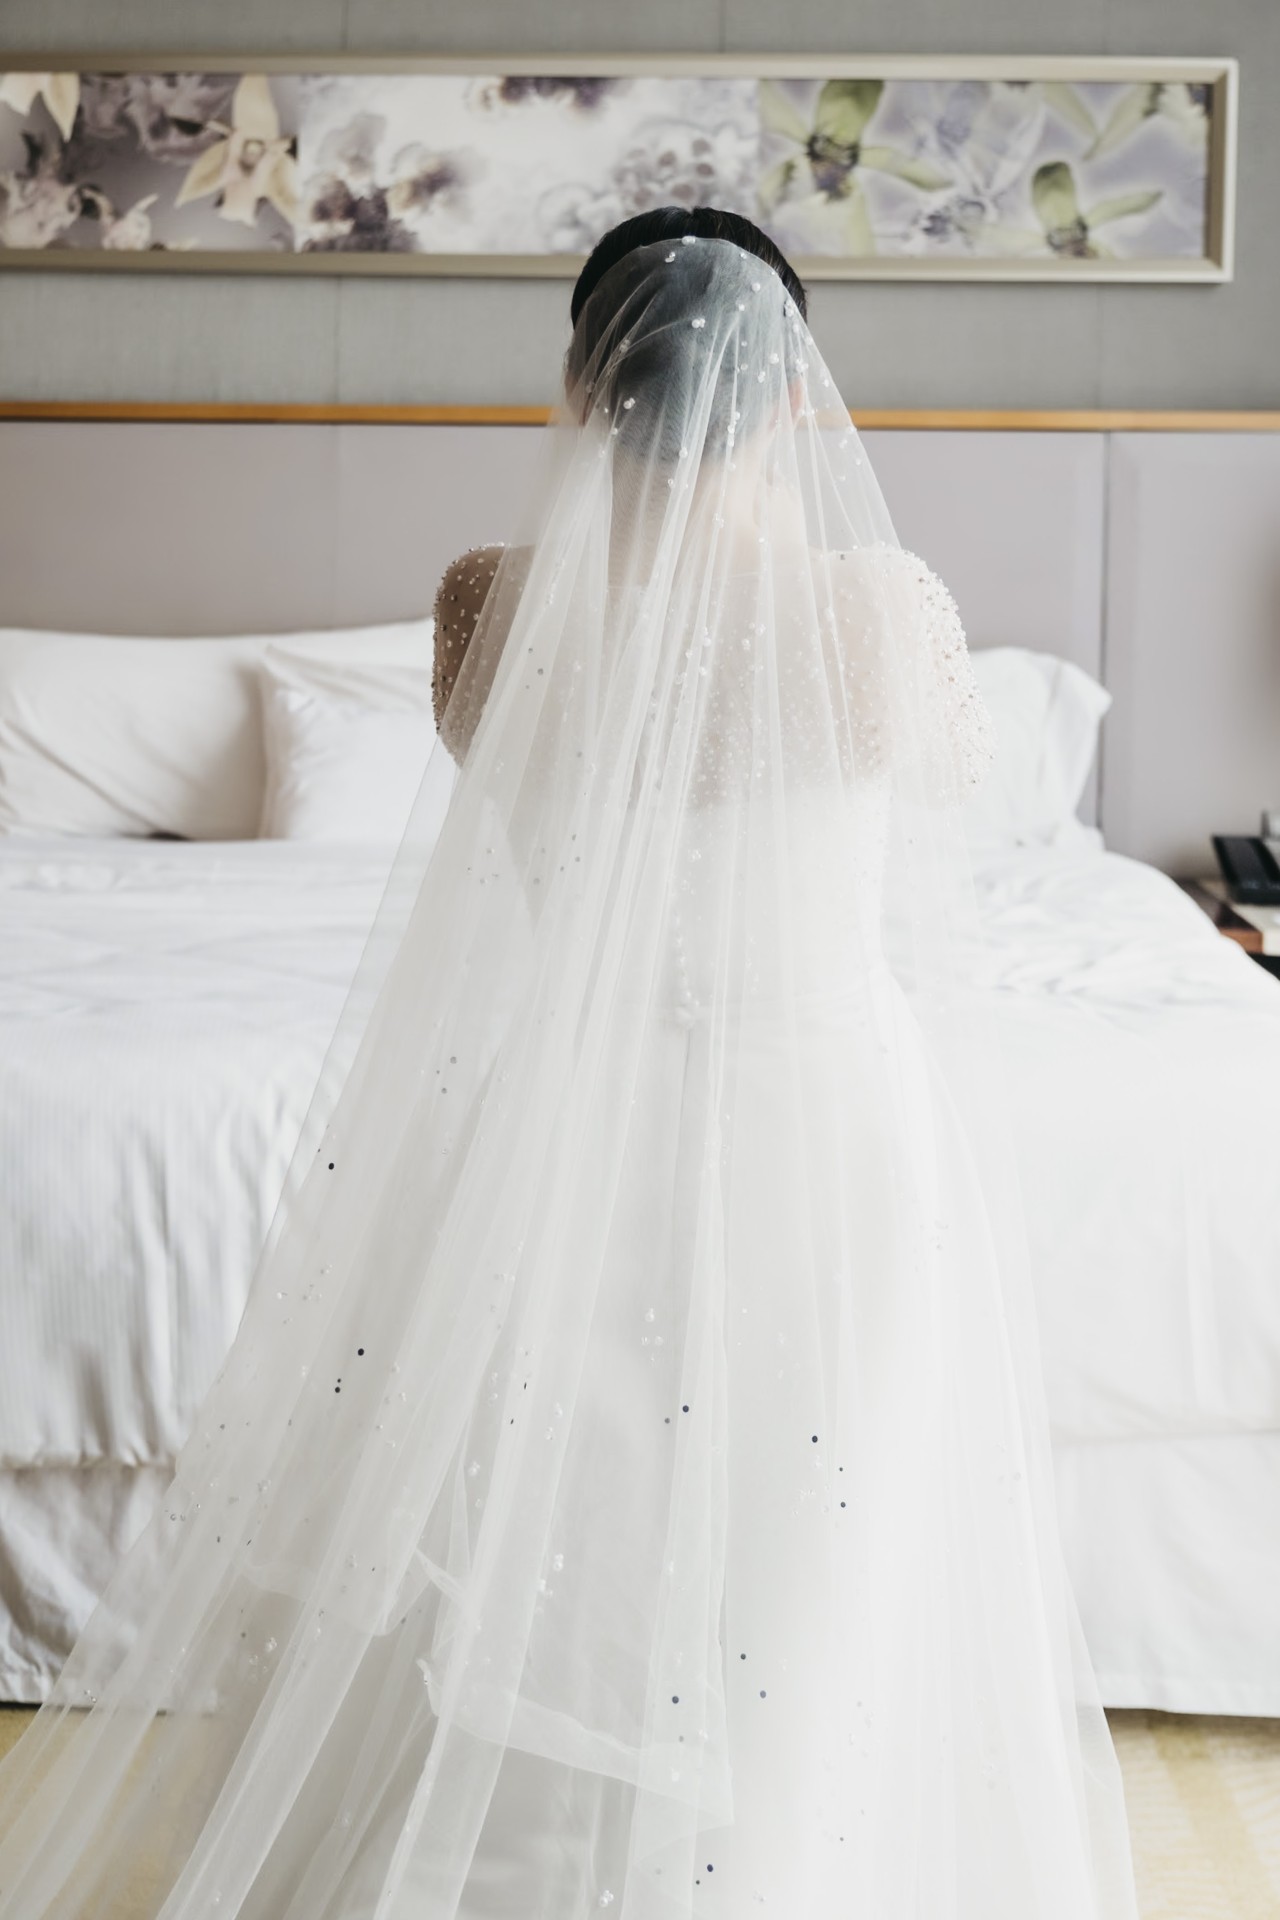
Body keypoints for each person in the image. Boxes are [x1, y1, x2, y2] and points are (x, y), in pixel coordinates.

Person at [0, 206, 1138, 1918]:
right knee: (811, 1533)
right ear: (792, 397)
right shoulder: (879, 616)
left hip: (567, 1127)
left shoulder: (486, 609)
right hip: (825, 1128)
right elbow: (957, 797)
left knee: (551, 1531)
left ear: (584, 384)